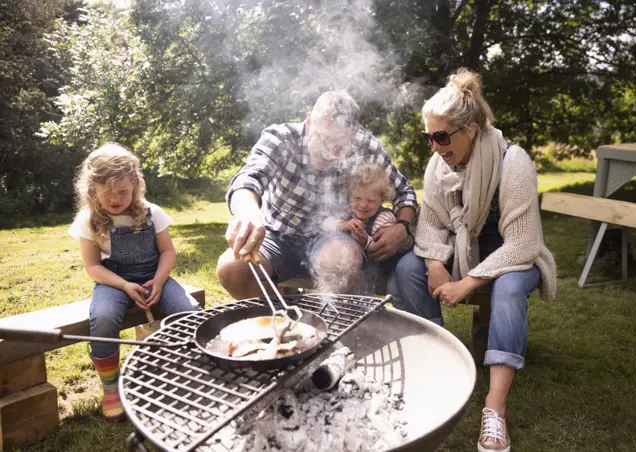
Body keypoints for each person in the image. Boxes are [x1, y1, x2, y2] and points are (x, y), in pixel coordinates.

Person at [387, 68, 557, 452]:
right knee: (408, 268)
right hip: (465, 258)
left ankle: (494, 410)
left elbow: (522, 245)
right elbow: (429, 225)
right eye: (429, 137)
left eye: (442, 137)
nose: (434, 146)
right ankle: (438, 361)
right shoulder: (437, 167)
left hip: (511, 257)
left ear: (472, 130)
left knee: (511, 287)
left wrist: (466, 282)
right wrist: (433, 262)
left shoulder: (513, 162)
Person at [216, 90, 418, 297]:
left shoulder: (365, 146)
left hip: (334, 236)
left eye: (339, 143)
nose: (329, 149)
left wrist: (402, 227)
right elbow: (248, 179)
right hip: (278, 235)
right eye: (323, 137)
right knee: (232, 269)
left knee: (342, 260)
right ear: (310, 119)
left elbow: (404, 192)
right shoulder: (281, 139)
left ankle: (337, 322)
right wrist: (248, 212)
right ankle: (283, 320)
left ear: (353, 133)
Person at [68, 143, 200, 421]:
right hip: (112, 282)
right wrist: (124, 285)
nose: (116, 198)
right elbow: (93, 266)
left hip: (154, 276)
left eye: (123, 192)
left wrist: (160, 281)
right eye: (107, 193)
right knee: (103, 318)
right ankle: (111, 387)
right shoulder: (89, 220)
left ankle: (188, 372)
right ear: (93, 191)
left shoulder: (152, 213)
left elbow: (167, 251)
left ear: (135, 185)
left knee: (188, 312)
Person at [320, 163, 415, 292]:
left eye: (370, 201)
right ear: (350, 196)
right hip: (357, 270)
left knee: (367, 289)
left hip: (381, 268)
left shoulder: (384, 218)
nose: (363, 204)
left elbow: (380, 248)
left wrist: (366, 241)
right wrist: (343, 224)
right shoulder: (347, 213)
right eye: (357, 198)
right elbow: (326, 223)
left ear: (381, 200)